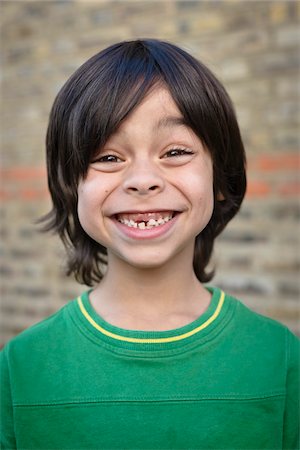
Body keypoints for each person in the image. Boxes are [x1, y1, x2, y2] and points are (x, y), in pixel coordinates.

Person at [1, 39, 299, 450]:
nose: (143, 179)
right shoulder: (21, 368)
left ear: (220, 178)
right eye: (107, 157)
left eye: (175, 151)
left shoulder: (279, 359)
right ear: (71, 186)